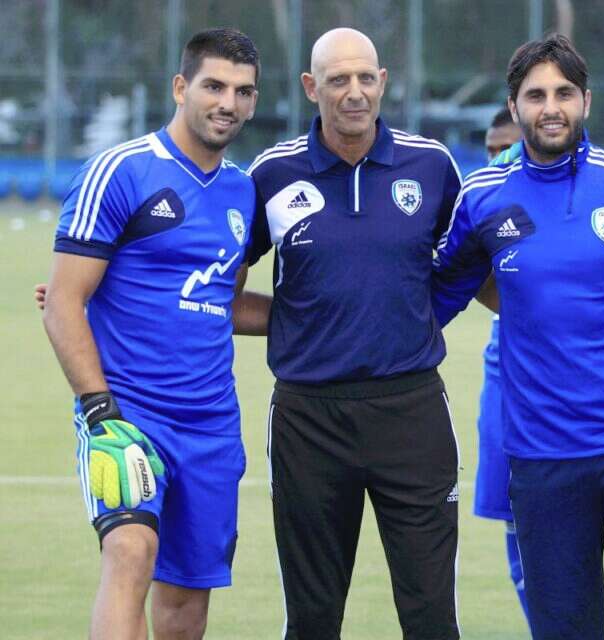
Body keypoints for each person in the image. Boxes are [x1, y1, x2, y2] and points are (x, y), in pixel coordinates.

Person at [432, 34, 604, 639]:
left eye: (563, 93)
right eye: (535, 96)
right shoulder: (482, 198)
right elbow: (431, 303)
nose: (550, 107)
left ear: (586, 100)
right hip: (542, 454)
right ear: (514, 105)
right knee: (563, 628)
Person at [41, 28, 262, 639]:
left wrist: (332, 317)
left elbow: (222, 302)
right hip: (127, 414)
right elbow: (63, 301)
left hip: (211, 427)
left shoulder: (244, 191)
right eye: (214, 86)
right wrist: (99, 411)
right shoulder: (122, 171)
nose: (228, 103)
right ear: (180, 87)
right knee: (130, 552)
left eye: (243, 92)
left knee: (185, 614)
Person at [243, 28, 462, 639]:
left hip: (411, 413)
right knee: (312, 619)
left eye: (366, 77)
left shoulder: (432, 166)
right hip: (308, 420)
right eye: (338, 80)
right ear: (311, 87)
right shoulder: (272, 174)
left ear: (383, 82)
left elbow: (474, 269)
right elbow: (217, 289)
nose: (355, 92)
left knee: (431, 618)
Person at [473, 108, 530, 626]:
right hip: (504, 367)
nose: (497, 158)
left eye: (506, 148)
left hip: (567, 376)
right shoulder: (482, 202)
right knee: (517, 528)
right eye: (490, 150)